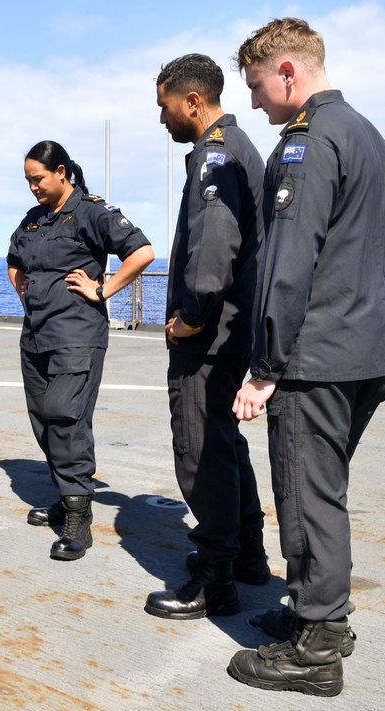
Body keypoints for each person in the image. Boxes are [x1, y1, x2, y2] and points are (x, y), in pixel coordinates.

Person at [228, 18, 385, 696]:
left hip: (318, 357)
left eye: (255, 87)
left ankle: (315, 645)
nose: (253, 104)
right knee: (324, 492)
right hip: (367, 346)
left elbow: (289, 263)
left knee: (306, 497)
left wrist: (265, 368)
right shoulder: (368, 134)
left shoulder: (306, 143)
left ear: (287, 72)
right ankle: (323, 616)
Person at [144, 54, 268, 621]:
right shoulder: (236, 149)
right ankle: (246, 553)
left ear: (193, 101)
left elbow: (213, 248)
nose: (163, 118)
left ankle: (215, 580)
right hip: (235, 328)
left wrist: (191, 316)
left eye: (166, 106)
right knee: (223, 443)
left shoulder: (215, 157)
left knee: (199, 451)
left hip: (209, 336)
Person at [7, 140, 155, 560]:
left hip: (76, 335)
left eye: (38, 179)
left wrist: (103, 289)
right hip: (35, 336)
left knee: (66, 418)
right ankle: (66, 494)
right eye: (27, 181)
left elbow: (142, 251)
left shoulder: (91, 211)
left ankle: (78, 518)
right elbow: (14, 257)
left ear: (61, 172)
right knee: (44, 421)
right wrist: (25, 292)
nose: (32, 187)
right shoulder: (34, 219)